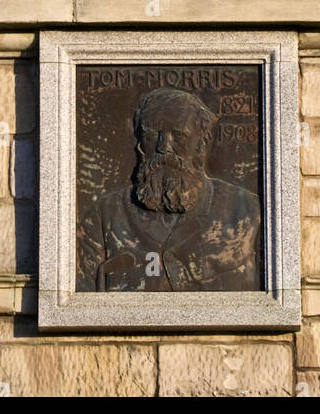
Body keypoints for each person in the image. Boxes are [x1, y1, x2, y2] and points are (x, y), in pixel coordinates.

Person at [77, 86, 261, 292]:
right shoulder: (104, 217)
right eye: (152, 135)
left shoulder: (247, 211)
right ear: (139, 143)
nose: (163, 147)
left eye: (179, 135)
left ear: (202, 142)